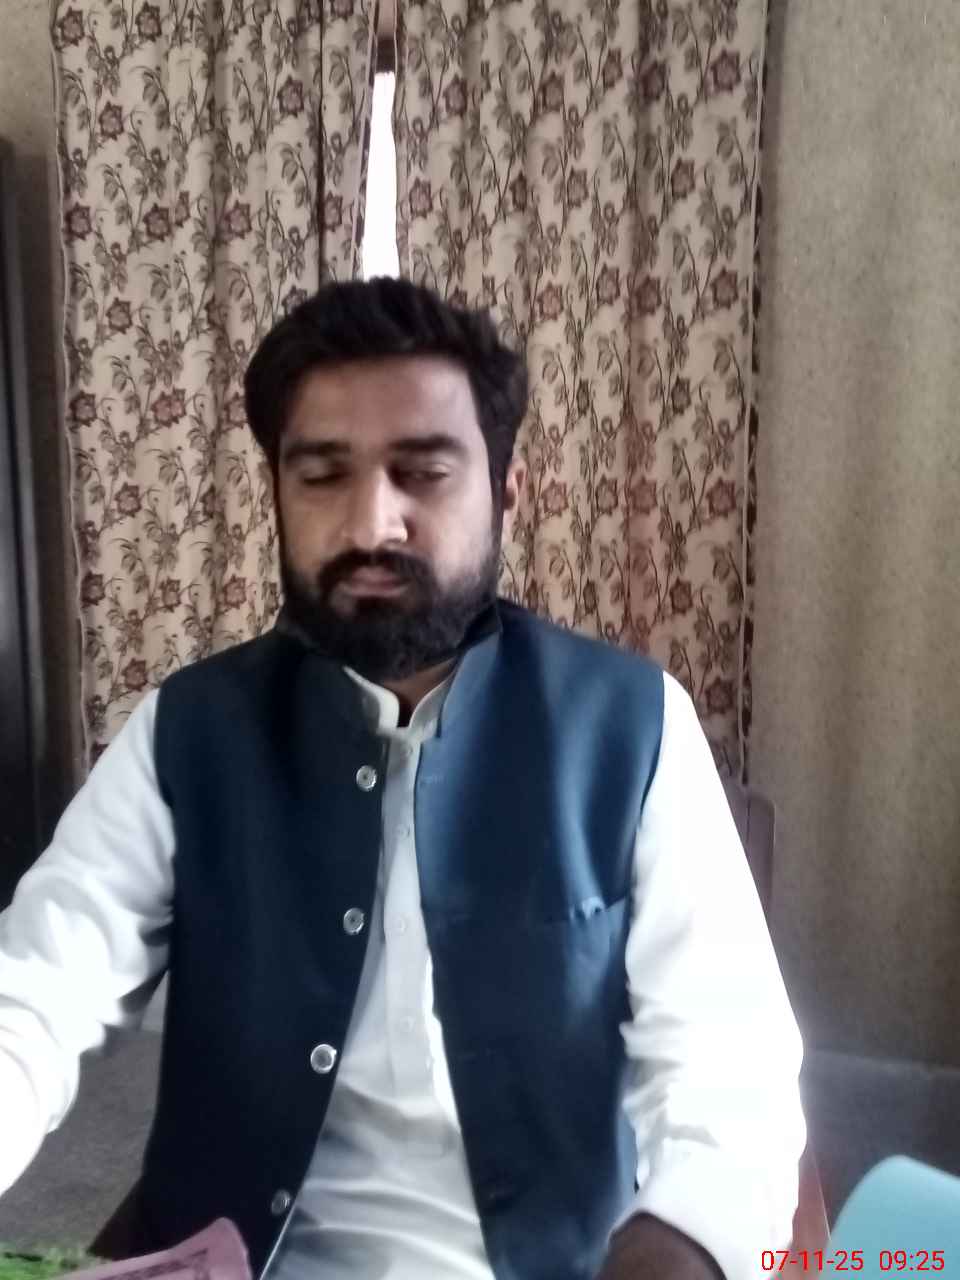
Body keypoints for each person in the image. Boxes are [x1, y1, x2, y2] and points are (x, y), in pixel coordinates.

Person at [0, 278, 805, 1280]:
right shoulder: (190, 728)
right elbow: (33, 995)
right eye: (322, 474)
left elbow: (728, 1073)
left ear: (506, 490)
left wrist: (682, 1243)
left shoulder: (632, 725)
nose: (371, 523)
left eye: (422, 472)